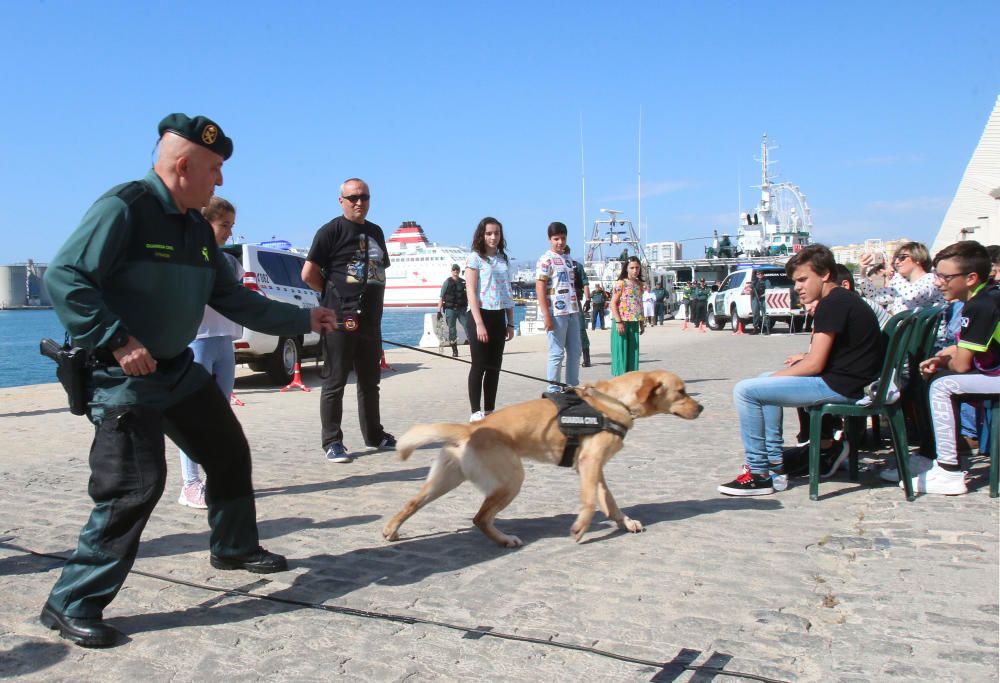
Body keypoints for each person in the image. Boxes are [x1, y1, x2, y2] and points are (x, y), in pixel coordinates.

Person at [39, 113, 338, 647]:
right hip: (122, 376)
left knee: (226, 451)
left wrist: (302, 319)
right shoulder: (124, 208)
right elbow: (66, 276)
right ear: (183, 166)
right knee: (133, 489)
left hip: (176, 369)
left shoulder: (198, 229)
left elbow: (233, 299)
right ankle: (71, 601)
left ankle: (233, 547)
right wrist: (117, 338)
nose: (220, 181)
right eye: (215, 169)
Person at [718, 245, 882, 496]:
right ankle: (775, 466)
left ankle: (760, 473)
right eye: (795, 281)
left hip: (841, 387)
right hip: (849, 381)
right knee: (762, 382)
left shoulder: (832, 304)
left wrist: (776, 376)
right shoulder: (843, 300)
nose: (798, 287)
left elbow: (815, 364)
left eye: (803, 279)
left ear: (825, 274)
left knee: (746, 390)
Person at [302, 178, 395, 464]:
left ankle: (374, 434)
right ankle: (332, 441)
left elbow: (378, 270)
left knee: (370, 381)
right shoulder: (331, 231)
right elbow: (308, 274)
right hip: (340, 319)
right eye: (353, 198)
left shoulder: (376, 231)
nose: (359, 202)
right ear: (341, 200)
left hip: (371, 320)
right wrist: (334, 298)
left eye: (364, 197)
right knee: (336, 380)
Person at [906, 241, 999, 495]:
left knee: (941, 383)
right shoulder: (987, 296)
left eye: (945, 276)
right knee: (935, 377)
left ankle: (947, 469)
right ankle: (930, 454)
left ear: (970, 278)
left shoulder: (980, 305)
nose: (938, 283)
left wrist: (940, 361)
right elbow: (965, 349)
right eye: (937, 275)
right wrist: (942, 356)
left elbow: (961, 364)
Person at [176, 196, 243, 510]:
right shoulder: (187, 258)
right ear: (205, 223)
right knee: (193, 416)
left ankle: (216, 478)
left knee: (220, 416)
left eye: (231, 225)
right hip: (197, 342)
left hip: (224, 342)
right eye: (223, 225)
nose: (229, 231)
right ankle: (190, 483)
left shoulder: (231, 263)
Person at [465, 217, 515, 421]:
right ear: (482, 235)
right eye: (489, 233)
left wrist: (510, 321)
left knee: (495, 366)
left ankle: (490, 410)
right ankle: (475, 411)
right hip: (480, 314)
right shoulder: (475, 258)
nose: (493, 237)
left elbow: (507, 291)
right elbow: (471, 290)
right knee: (479, 365)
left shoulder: (503, 259)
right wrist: (478, 323)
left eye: (496, 233)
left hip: (498, 314)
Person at [536, 221, 581, 392]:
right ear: (549, 239)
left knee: (575, 351)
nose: (560, 242)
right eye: (556, 239)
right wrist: (546, 315)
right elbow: (540, 286)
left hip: (572, 310)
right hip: (556, 312)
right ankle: (553, 389)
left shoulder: (569, 259)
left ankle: (572, 386)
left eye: (563, 238)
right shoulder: (545, 259)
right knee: (557, 352)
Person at [858, 241, 943, 314]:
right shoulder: (903, 284)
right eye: (896, 258)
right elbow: (876, 297)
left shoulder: (931, 279)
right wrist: (863, 273)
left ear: (918, 258)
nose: (897, 262)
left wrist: (893, 274)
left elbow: (912, 296)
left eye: (902, 257)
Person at [610, 256, 645, 375]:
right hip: (622, 322)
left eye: (637, 268)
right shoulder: (621, 283)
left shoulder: (639, 284)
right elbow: (613, 303)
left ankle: (631, 379)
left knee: (633, 353)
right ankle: (619, 380)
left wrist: (641, 322)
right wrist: (618, 322)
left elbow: (639, 303)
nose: (635, 270)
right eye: (632, 268)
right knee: (621, 352)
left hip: (634, 321)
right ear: (626, 269)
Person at [566, 245, 592, 367]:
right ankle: (586, 359)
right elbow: (585, 284)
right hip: (574, 301)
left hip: (569, 302)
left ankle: (585, 358)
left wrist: (587, 299)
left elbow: (585, 283)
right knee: (580, 330)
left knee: (579, 330)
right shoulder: (577, 266)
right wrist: (588, 299)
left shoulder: (576, 266)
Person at [437, 264, 468, 357]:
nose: (456, 271)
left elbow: (469, 295)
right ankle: (455, 350)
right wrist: (439, 311)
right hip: (450, 310)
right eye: (454, 269)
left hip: (461, 309)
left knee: (468, 326)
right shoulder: (447, 282)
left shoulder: (463, 282)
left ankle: (474, 347)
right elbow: (441, 297)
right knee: (452, 330)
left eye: (457, 269)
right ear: (451, 271)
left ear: (459, 271)